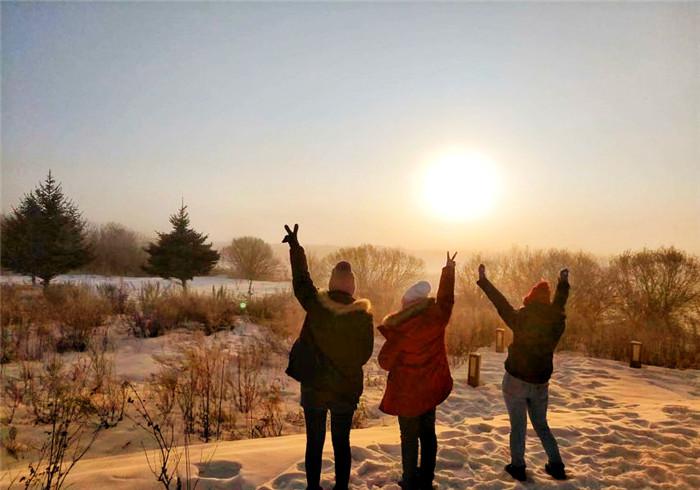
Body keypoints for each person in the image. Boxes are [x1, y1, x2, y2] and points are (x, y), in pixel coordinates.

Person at [283, 224, 374, 490]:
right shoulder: (362, 314)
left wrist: (296, 250)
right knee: (341, 443)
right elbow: (365, 353)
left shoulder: (318, 304)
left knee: (314, 443)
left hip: (314, 386)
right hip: (345, 388)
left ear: (333, 283)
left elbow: (302, 284)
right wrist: (343, 364)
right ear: (352, 287)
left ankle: (313, 488)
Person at [477, 264, 570, 482]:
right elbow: (560, 303)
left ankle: (518, 466)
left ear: (530, 298)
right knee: (541, 425)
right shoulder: (556, 321)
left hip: (516, 379)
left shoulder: (522, 318)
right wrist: (563, 282)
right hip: (540, 382)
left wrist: (484, 280)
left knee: (518, 426)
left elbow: (500, 304)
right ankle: (556, 464)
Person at [377, 251, 457, 490]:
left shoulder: (401, 330)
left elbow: (384, 362)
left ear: (406, 305)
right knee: (428, 435)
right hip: (430, 391)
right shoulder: (436, 318)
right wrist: (448, 270)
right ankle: (426, 478)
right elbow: (446, 300)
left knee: (409, 438)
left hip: (407, 395)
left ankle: (410, 480)